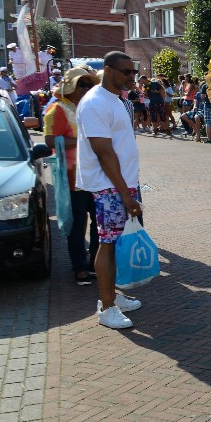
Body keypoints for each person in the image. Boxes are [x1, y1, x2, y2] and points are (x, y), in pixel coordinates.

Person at [76, 52, 144, 329]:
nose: (131, 76)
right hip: (110, 187)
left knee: (117, 243)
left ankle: (112, 295)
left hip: (122, 183)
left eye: (133, 72)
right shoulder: (94, 102)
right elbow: (103, 152)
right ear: (108, 70)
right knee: (107, 243)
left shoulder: (114, 100)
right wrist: (125, 194)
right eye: (126, 71)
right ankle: (106, 307)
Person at [44, 67, 100, 285]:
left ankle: (95, 263)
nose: (86, 88)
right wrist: (83, 142)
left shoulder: (92, 108)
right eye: (82, 84)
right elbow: (50, 141)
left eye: (89, 84)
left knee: (100, 222)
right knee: (77, 224)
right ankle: (79, 267)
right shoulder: (57, 110)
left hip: (97, 175)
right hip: (72, 177)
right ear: (70, 87)